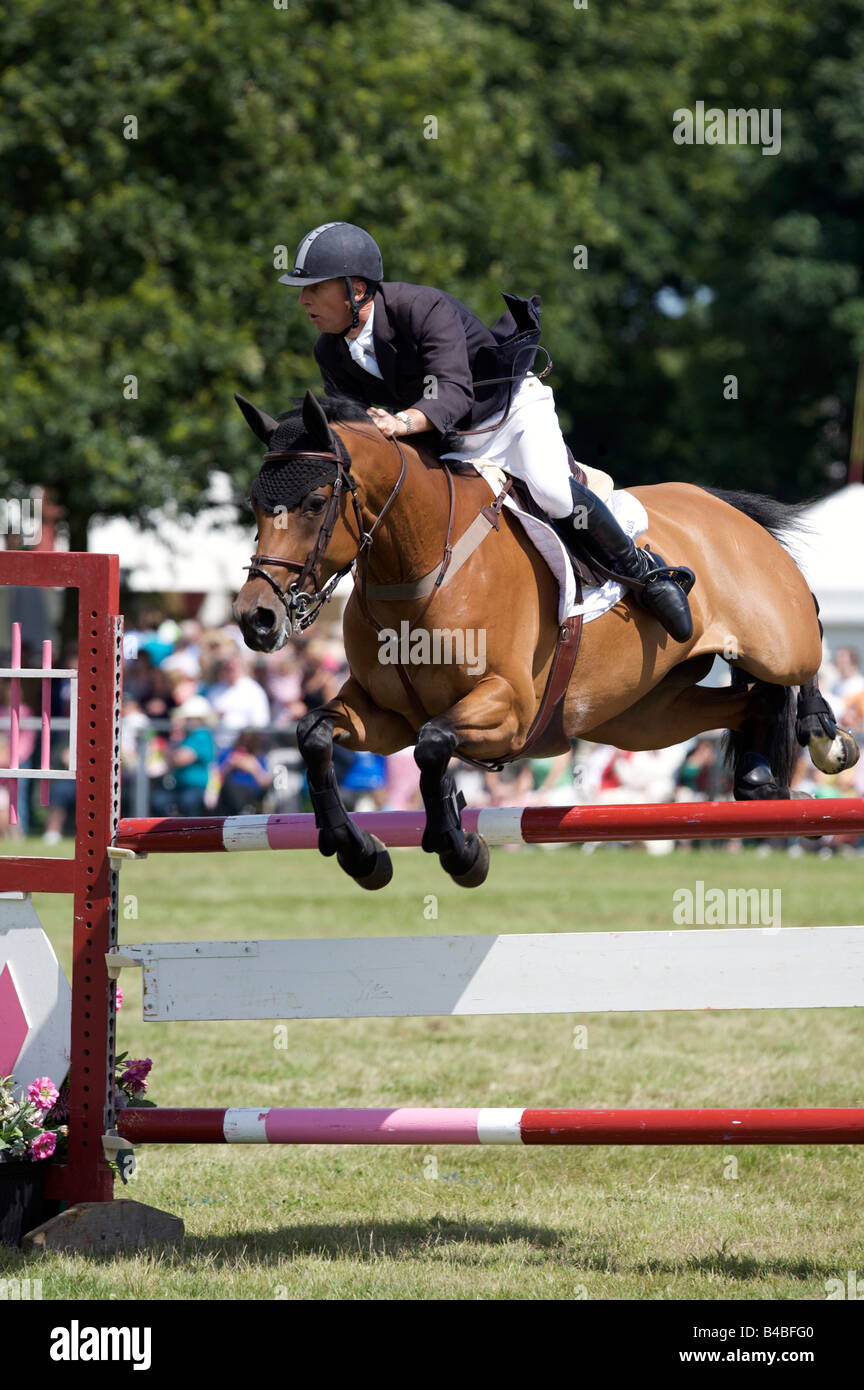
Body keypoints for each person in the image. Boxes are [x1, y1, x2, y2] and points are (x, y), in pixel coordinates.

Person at [278, 221, 694, 642]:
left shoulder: (421, 308)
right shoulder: (329, 349)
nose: (303, 300)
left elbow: (453, 392)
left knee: (551, 490)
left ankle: (646, 574)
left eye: (315, 288)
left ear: (358, 288)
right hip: (447, 442)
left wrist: (398, 421)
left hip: (508, 414)